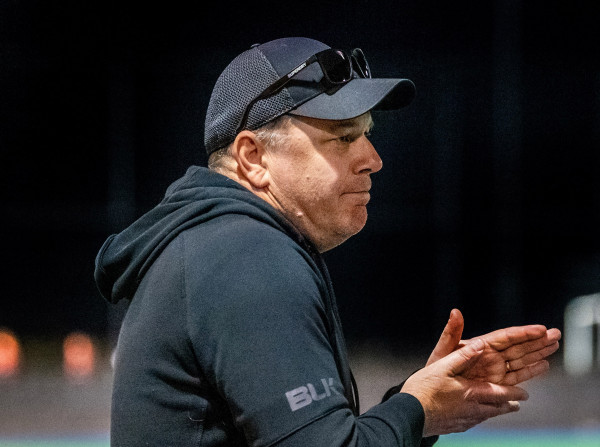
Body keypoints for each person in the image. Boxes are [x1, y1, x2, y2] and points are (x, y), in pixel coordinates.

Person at [94, 37, 561, 446]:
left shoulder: (215, 245)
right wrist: (417, 407)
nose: (373, 159)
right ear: (253, 157)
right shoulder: (246, 256)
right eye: (342, 138)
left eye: (367, 135)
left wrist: (420, 407)